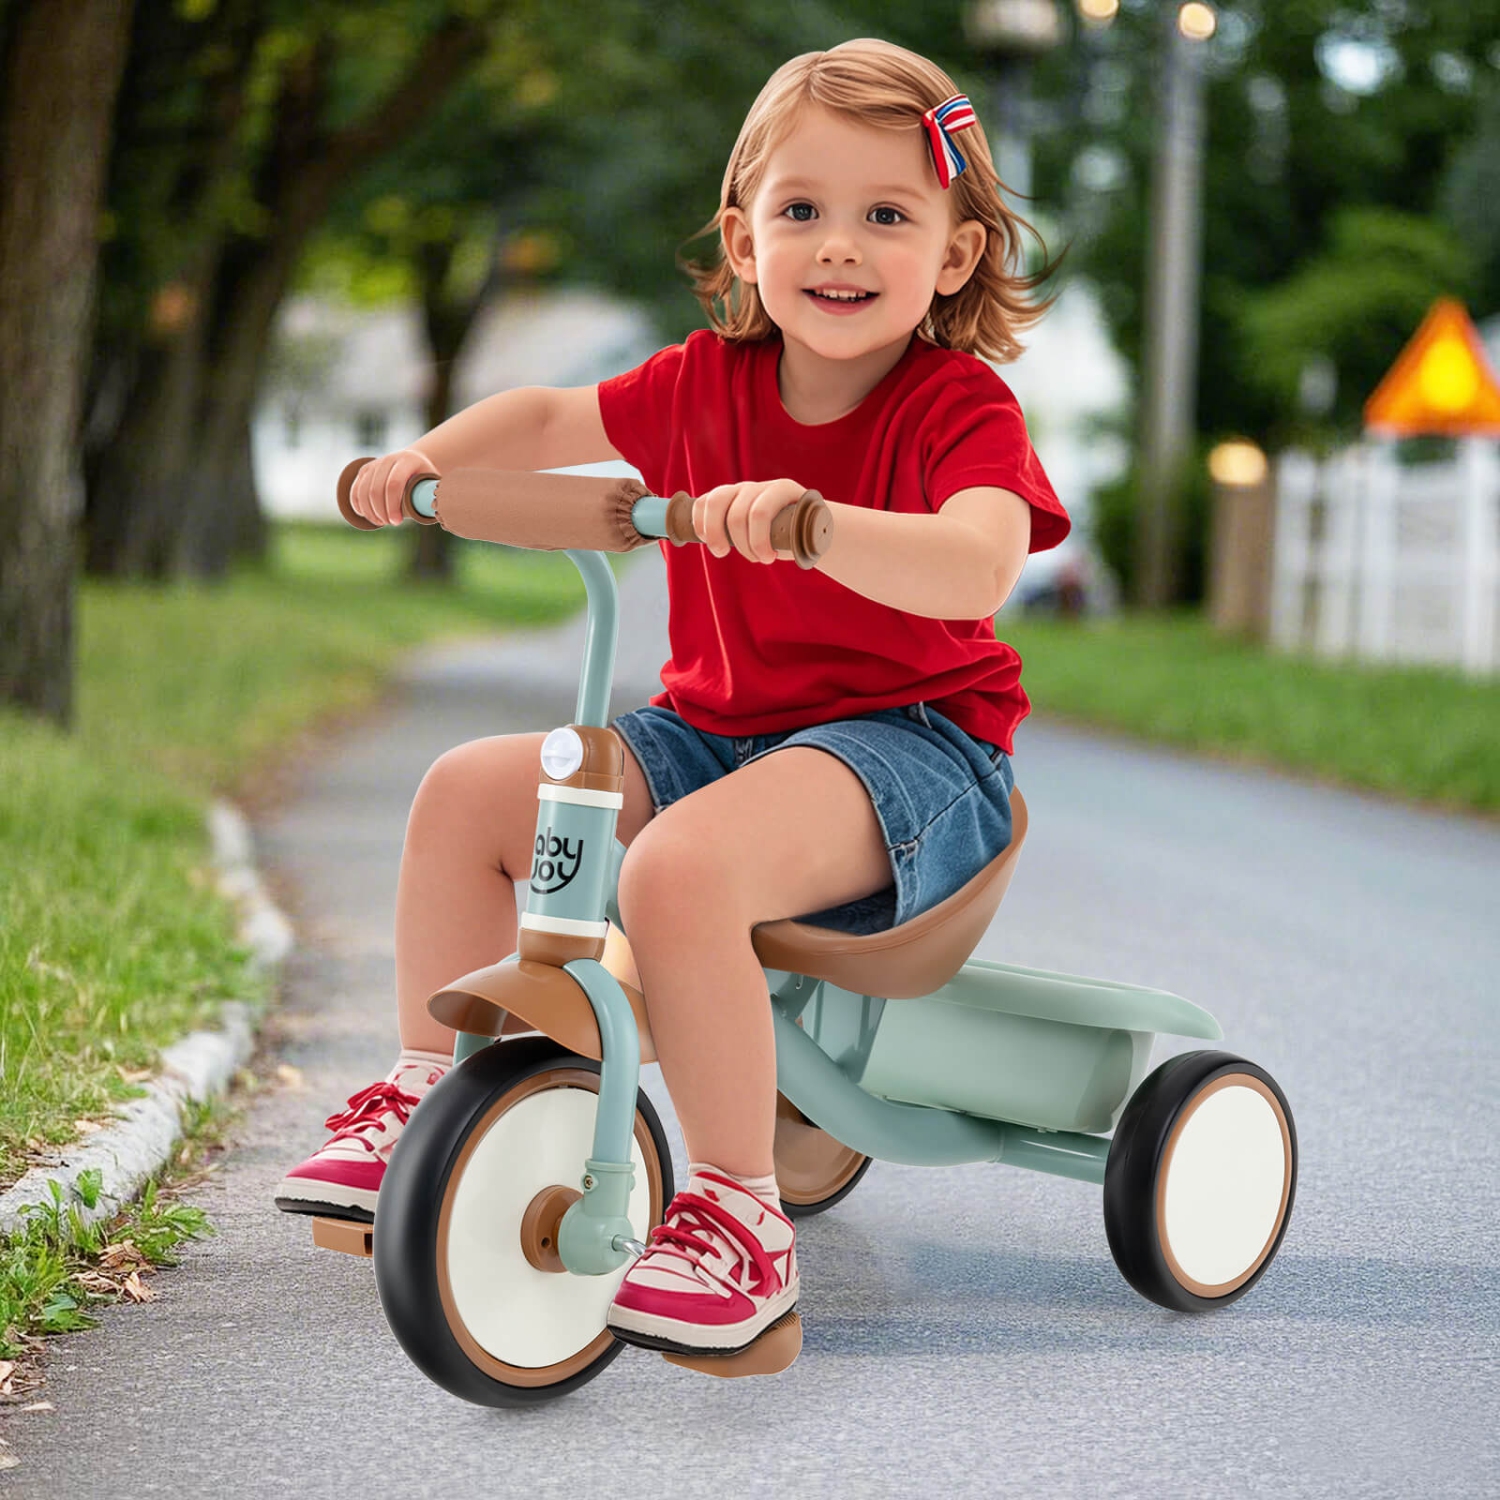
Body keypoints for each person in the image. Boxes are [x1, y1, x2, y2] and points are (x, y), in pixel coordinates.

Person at [276, 36, 1069, 1364]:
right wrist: (420, 461)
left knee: (680, 869)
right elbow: (547, 421)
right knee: (470, 791)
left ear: (956, 254)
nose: (839, 244)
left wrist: (818, 525)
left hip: (914, 753)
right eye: (802, 209)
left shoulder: (958, 408)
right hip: (711, 733)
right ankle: (425, 1093)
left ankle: (740, 1217)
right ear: (745, 240)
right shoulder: (705, 385)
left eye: (888, 215)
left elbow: (978, 560)